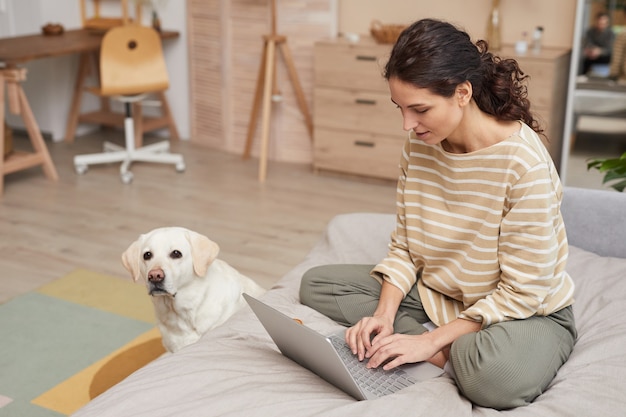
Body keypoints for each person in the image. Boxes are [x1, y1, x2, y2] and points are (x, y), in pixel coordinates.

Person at [299, 18, 577, 410]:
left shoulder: (523, 166)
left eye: (420, 109)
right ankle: (423, 341)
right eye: (400, 108)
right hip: (442, 295)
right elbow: (406, 247)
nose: (407, 125)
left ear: (463, 93)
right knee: (317, 284)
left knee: (494, 380)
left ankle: (441, 349)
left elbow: (523, 291)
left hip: (524, 312)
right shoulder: (421, 145)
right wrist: (383, 314)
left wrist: (430, 340)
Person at [581, 11, 614, 75]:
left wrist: (599, 51)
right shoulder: (590, 31)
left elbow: (609, 48)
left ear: (607, 23)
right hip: (591, 54)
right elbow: (588, 42)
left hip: (604, 56)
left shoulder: (610, 33)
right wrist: (592, 50)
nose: (601, 24)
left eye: (603, 23)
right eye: (599, 22)